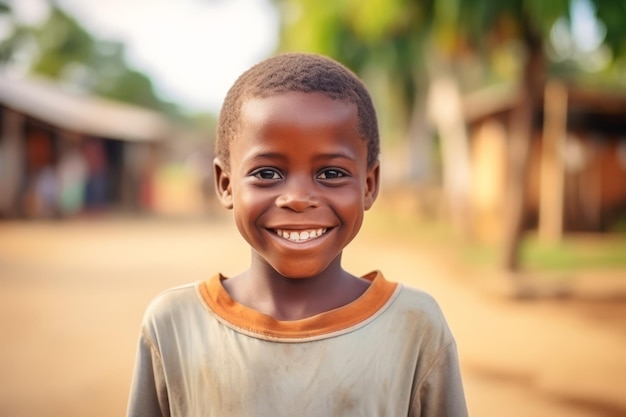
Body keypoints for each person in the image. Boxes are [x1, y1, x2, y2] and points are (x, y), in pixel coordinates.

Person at [126, 52, 468, 417]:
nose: (298, 199)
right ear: (225, 184)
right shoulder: (175, 326)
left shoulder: (414, 326)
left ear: (369, 185)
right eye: (268, 173)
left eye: (331, 174)